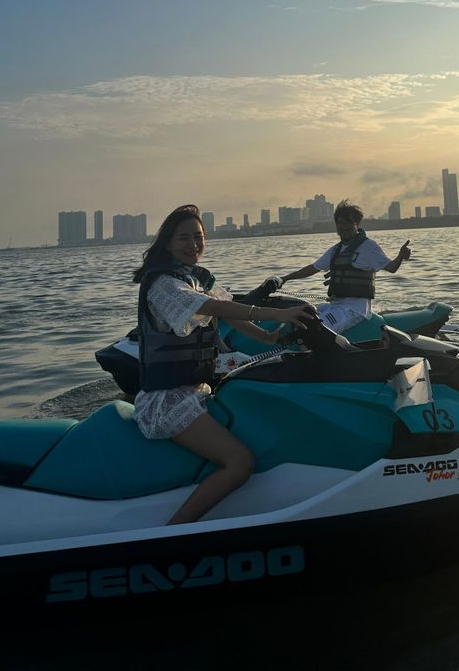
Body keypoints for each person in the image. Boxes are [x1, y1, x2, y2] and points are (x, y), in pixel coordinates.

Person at [132, 204, 313, 525]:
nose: (193, 244)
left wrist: (269, 339)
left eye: (198, 237)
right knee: (239, 462)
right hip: (168, 400)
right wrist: (275, 314)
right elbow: (209, 306)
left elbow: (228, 309)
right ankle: (173, 533)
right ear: (168, 243)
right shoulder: (164, 284)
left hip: (195, 390)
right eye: (184, 238)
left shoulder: (194, 278)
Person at [268, 200, 411, 336]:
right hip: (335, 306)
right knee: (301, 314)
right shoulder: (336, 250)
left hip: (354, 310)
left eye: (349, 222)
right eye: (341, 223)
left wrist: (400, 256)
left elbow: (391, 268)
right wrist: (284, 279)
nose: (344, 227)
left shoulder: (368, 247)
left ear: (357, 224)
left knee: (314, 329)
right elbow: (312, 268)